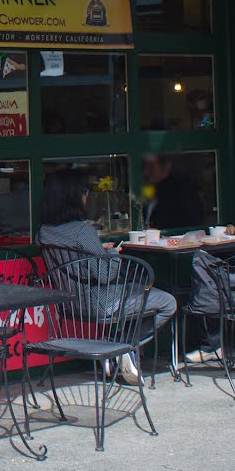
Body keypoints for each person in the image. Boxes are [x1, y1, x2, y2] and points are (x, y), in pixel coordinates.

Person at [39, 170, 177, 384]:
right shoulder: (82, 231)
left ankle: (116, 348)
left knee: (136, 288)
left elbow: (76, 260)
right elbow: (105, 275)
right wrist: (112, 253)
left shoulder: (44, 232)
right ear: (74, 197)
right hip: (102, 302)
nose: (87, 197)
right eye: (84, 192)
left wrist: (98, 251)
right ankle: (121, 346)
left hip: (69, 303)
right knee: (168, 302)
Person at [143, 153, 205, 229]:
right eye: (144, 166)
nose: (145, 172)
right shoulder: (146, 188)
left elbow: (194, 222)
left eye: (151, 167)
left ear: (166, 166)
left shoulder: (183, 189)